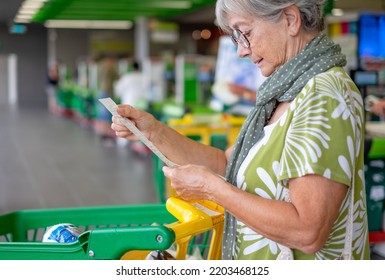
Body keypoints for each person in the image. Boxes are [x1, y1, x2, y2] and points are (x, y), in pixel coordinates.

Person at [111, 0, 370, 260]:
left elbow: (307, 231)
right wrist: (154, 131)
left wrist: (211, 189)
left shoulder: (323, 96)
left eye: (244, 32)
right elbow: (227, 163)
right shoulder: (286, 93)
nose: (241, 51)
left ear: (290, 19)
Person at [95, 54, 120, 141]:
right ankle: (107, 132)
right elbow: (117, 77)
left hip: (101, 91)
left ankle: (102, 131)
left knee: (102, 112)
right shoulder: (110, 67)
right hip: (107, 91)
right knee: (107, 112)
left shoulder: (100, 67)